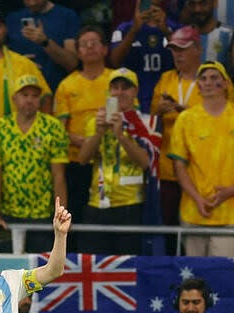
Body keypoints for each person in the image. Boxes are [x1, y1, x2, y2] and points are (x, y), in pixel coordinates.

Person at [77, 68, 161, 255]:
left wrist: (121, 135)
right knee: (95, 266)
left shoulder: (147, 123)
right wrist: (99, 132)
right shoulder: (96, 121)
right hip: (97, 203)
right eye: (114, 87)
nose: (119, 92)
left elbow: (146, 163)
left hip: (130, 205)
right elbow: (82, 159)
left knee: (127, 266)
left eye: (125, 87)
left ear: (135, 91)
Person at [0, 74, 67, 253]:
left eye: (34, 96)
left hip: (42, 216)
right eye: (24, 95)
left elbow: (58, 176)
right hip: (7, 216)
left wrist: (60, 214)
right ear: (14, 98)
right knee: (5, 271)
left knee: (40, 271)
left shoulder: (53, 127)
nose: (29, 100)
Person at [54, 25, 112, 248]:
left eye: (94, 43)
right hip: (76, 162)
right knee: (75, 212)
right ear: (77, 52)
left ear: (105, 49)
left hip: (108, 164)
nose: (89, 48)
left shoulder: (115, 80)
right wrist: (80, 140)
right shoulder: (68, 84)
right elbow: (59, 127)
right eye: (84, 44)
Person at [168, 60, 234, 256]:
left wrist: (230, 191)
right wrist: (197, 198)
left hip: (230, 216)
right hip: (193, 212)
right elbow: (179, 165)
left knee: (224, 279)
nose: (208, 82)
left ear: (226, 83)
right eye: (203, 78)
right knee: (194, 280)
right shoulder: (186, 119)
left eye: (214, 77)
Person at [150, 26, 204, 232]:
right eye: (174, 49)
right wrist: (158, 111)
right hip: (166, 168)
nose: (177, 54)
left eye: (182, 49)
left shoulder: (212, 79)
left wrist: (186, 113)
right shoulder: (166, 79)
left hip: (199, 170)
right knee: (167, 229)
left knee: (196, 226)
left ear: (198, 48)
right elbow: (151, 121)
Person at [109, 0, 178, 112]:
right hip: (133, 101)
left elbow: (186, 58)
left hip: (165, 99)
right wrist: (134, 30)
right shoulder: (123, 29)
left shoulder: (175, 28)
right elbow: (115, 61)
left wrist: (166, 31)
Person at [6, 0, 79, 91]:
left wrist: (45, 42)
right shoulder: (12, 19)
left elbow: (72, 64)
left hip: (58, 93)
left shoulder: (67, 16)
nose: (31, 3)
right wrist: (21, 63)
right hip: (20, 95)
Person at [182, 0, 234, 70]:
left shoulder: (229, 35)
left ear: (215, 3)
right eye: (192, 4)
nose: (197, 9)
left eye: (203, 3)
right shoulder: (181, 35)